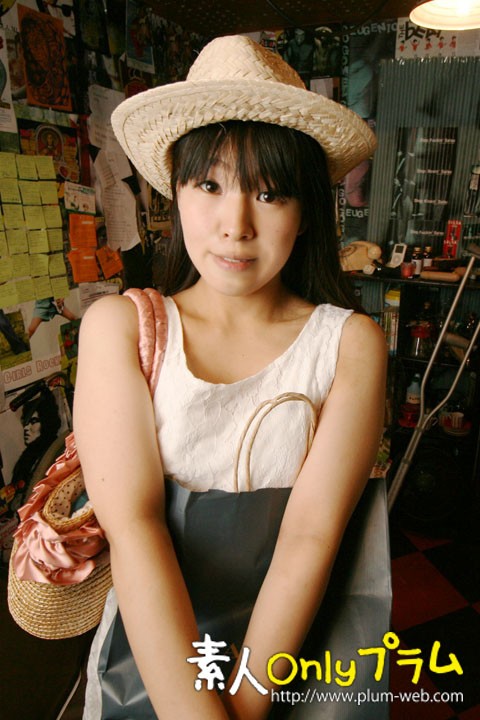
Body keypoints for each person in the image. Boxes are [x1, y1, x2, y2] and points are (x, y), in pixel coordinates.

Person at [74, 35, 387, 719]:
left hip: (287, 668)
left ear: (306, 211)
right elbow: (136, 528)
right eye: (210, 185)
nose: (235, 225)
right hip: (150, 665)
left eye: (270, 193)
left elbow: (310, 536)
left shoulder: (349, 345)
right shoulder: (121, 330)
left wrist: (241, 707)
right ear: (176, 192)